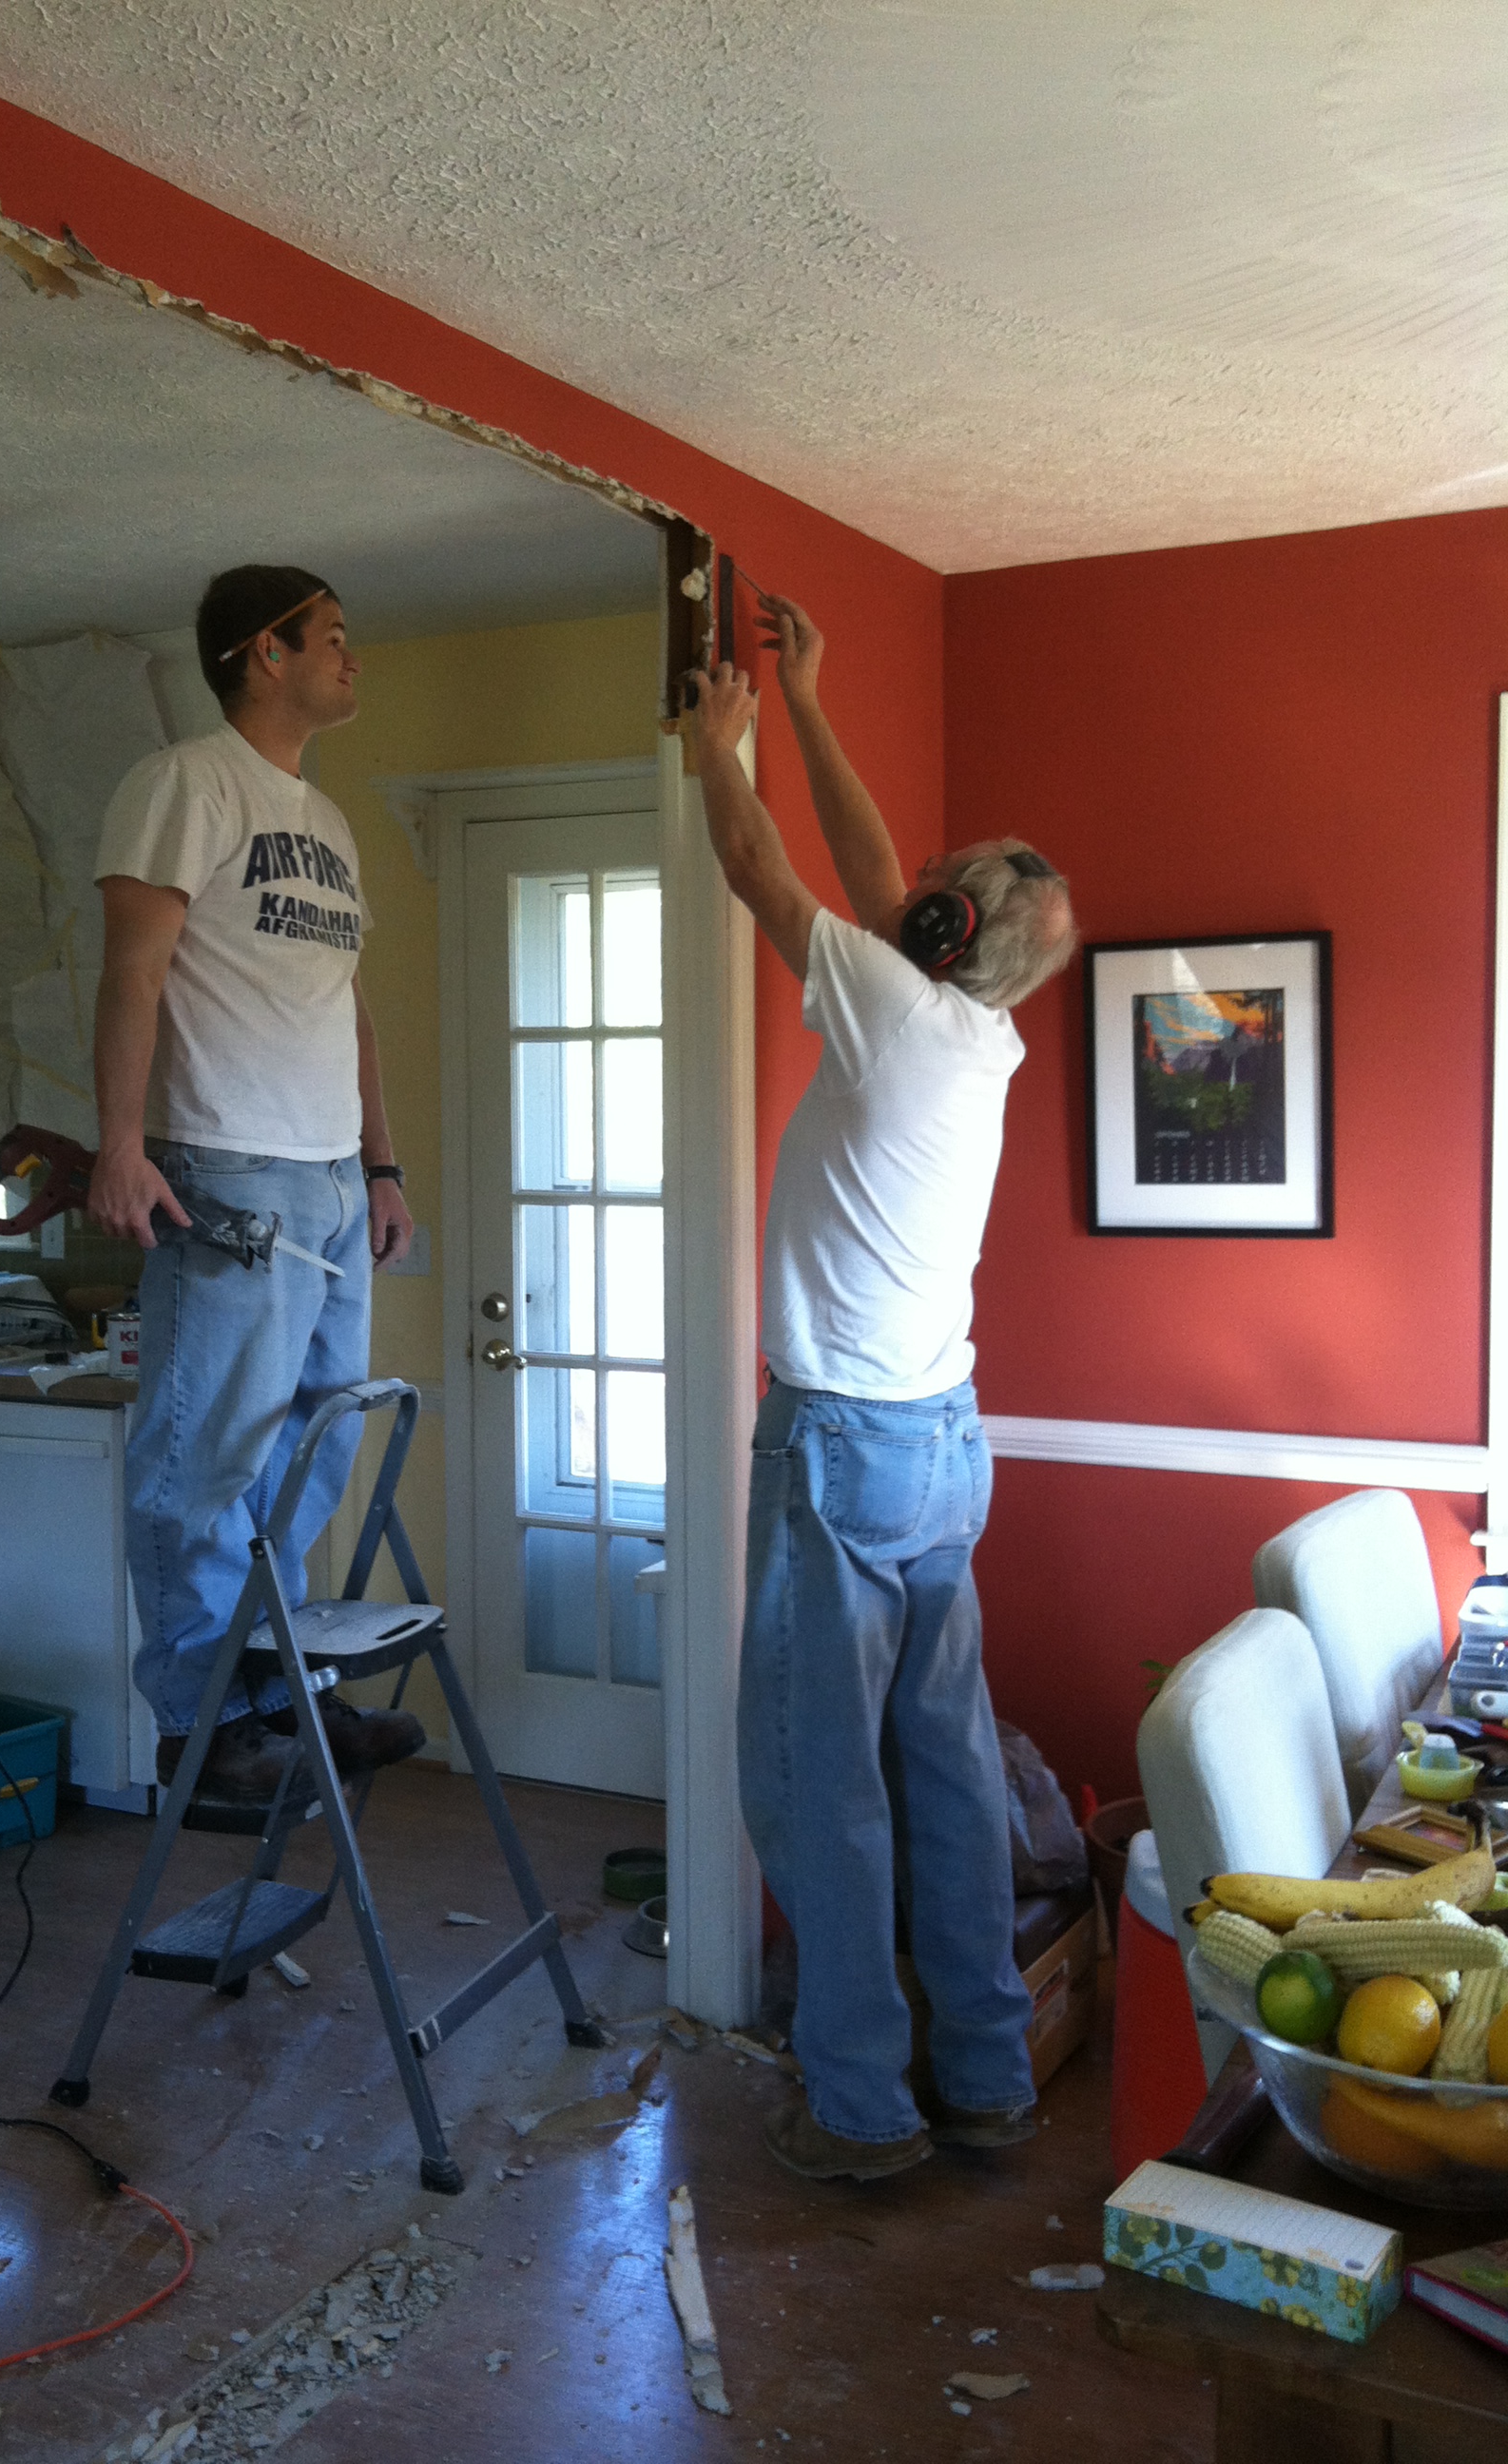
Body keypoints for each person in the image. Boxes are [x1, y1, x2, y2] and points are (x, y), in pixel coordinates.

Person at [693, 598, 1077, 2183]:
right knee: (949, 1767)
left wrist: (719, 748)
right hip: (938, 1447)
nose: (913, 883)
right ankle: (986, 2079)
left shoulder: (895, 1011)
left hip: (842, 1448)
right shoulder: (976, 1036)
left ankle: (860, 2108)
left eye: (938, 884)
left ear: (943, 927)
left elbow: (760, 871)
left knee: (818, 1783)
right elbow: (875, 885)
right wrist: (808, 699)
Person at [87, 564, 425, 1803]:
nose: (351, 656)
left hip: (328, 1178)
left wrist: (379, 1166)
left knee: (314, 1447)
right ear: (263, 653)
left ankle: (274, 1690)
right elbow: (134, 971)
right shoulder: (182, 784)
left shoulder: (324, 821)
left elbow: (349, 1012)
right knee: (203, 1457)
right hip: (225, 1169)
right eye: (330, 636)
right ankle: (201, 1720)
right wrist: (120, 1144)